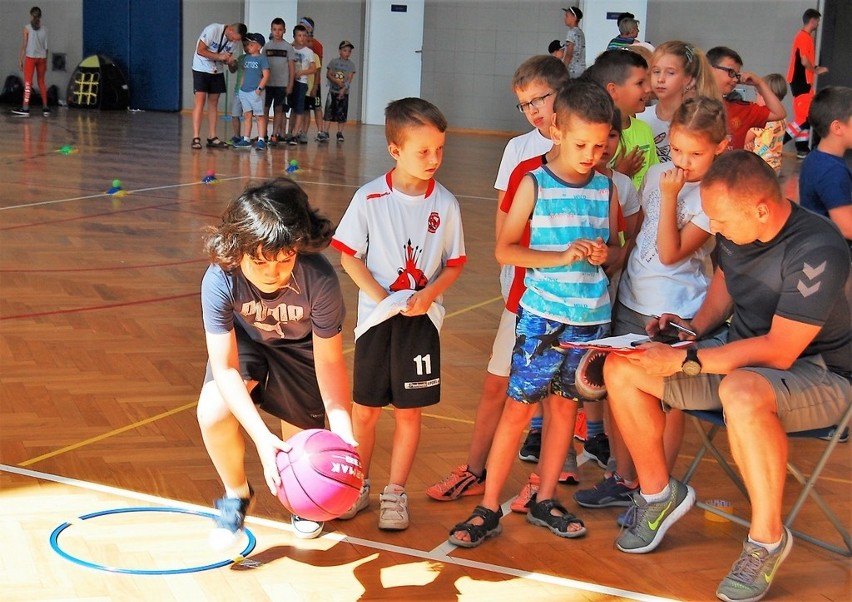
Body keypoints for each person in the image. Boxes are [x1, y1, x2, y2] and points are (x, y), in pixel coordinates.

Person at [603, 150, 850, 602]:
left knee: (740, 391)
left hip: (820, 374)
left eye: (720, 219)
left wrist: (687, 361)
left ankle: (766, 540)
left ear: (760, 208)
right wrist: (689, 330)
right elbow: (724, 285)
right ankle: (658, 496)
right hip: (742, 358)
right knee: (624, 365)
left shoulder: (819, 249)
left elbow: (779, 351)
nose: (713, 228)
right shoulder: (737, 229)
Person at [447, 80, 621, 548]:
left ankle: (546, 498)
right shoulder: (534, 182)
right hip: (543, 319)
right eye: (582, 143)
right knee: (518, 411)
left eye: (600, 145)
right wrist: (561, 256)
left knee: (565, 410)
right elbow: (505, 251)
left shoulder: (605, 187)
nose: (591, 154)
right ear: (557, 131)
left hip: (589, 321)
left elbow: (616, 247)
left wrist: (605, 254)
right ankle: (487, 508)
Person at [426, 56, 569, 507]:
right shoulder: (518, 151)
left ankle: (547, 475)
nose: (532, 111)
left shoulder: (586, 145)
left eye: (539, 100)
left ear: (563, 92)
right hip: (523, 288)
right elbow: (503, 230)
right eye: (524, 105)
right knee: (497, 381)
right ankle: (474, 468)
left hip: (570, 296)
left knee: (553, 391)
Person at [575, 97, 728, 517]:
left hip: (672, 308)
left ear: (721, 147)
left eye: (695, 153)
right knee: (621, 392)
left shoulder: (712, 195)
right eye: (676, 149)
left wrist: (671, 194)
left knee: (665, 401)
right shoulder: (661, 174)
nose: (682, 161)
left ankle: (655, 487)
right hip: (632, 297)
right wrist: (616, 266)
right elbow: (639, 236)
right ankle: (624, 478)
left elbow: (670, 252)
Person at [197, 178, 357, 544]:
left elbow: (330, 362)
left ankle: (303, 501)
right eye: (261, 262)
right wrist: (260, 437)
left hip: (300, 349)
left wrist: (342, 428)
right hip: (247, 342)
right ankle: (235, 495)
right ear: (238, 250)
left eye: (285, 260)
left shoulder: (319, 280)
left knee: (301, 452)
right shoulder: (220, 279)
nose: (274, 272)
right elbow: (225, 367)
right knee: (213, 413)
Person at [332, 98, 466, 531]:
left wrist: (428, 295)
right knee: (365, 411)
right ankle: (358, 484)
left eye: (440, 150)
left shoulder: (444, 203)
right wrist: (382, 297)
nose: (434, 159)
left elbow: (456, 263)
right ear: (395, 150)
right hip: (375, 323)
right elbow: (349, 256)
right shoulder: (369, 198)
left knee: (409, 412)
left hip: (421, 325)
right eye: (423, 151)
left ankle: (395, 492)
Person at [587, 49, 659, 188]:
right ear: (612, 90)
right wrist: (620, 174)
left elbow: (654, 179)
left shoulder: (644, 129)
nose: (648, 89)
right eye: (640, 83)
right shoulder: (594, 134)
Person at [641, 41, 721, 163]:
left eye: (670, 73)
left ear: (688, 79)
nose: (661, 79)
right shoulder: (640, 117)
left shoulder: (698, 120)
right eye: (656, 71)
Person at [706, 46, 786, 151]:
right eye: (731, 72)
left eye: (737, 75)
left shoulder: (741, 109)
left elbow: (779, 113)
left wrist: (759, 83)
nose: (735, 79)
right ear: (709, 69)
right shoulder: (690, 107)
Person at [799, 86, 852, 241]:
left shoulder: (815, 158)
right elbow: (847, 228)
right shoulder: (832, 171)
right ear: (837, 127)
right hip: (831, 253)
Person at [190, 22, 246, 150]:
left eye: (237, 40)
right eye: (235, 38)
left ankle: (212, 136)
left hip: (217, 70)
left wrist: (231, 63)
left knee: (214, 102)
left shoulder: (234, 42)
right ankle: (196, 137)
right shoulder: (213, 30)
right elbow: (200, 50)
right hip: (201, 68)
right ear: (230, 30)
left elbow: (230, 67)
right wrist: (219, 56)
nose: (235, 41)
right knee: (200, 101)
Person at [786, 8, 829, 159]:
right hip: (801, 82)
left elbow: (805, 61)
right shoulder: (803, 37)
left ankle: (802, 149)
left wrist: (815, 68)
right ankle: (778, 142)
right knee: (803, 118)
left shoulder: (805, 37)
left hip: (803, 82)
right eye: (817, 21)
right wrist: (815, 71)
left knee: (805, 116)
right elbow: (804, 61)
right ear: (812, 20)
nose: (818, 24)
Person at [232, 33, 270, 151]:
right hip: (244, 91)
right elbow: (244, 73)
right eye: (248, 44)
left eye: (251, 44)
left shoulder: (262, 59)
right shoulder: (247, 58)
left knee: (259, 116)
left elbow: (266, 75)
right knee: (247, 115)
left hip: (255, 92)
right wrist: (241, 88)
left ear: (259, 46)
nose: (248, 46)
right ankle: (246, 138)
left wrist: (259, 89)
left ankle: (261, 140)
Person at [745, 74, 788, 175]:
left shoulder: (763, 117)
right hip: (775, 166)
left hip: (759, 166)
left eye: (757, 95)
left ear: (766, 97)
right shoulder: (782, 117)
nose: (756, 99)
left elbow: (745, 138)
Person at [264, 18, 296, 146]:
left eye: (280, 30)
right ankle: (263, 133)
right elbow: (262, 65)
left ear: (284, 31)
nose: (277, 32)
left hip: (281, 84)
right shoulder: (267, 46)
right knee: (265, 108)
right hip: (267, 84)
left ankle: (274, 134)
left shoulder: (288, 47)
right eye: (274, 29)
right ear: (271, 30)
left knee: (278, 109)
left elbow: (291, 68)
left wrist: (290, 84)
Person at [12, 6, 49, 117]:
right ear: (40, 16)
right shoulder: (45, 29)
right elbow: (46, 48)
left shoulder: (26, 28)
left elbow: (24, 45)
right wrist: (46, 61)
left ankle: (25, 107)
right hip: (42, 58)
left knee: (28, 83)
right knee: (41, 82)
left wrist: (20, 60)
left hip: (30, 58)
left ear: (31, 15)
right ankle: (46, 107)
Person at [318, 41, 357, 142]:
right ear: (340, 51)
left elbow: (349, 78)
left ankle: (340, 132)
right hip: (333, 91)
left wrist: (344, 89)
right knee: (329, 111)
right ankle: (325, 131)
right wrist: (336, 81)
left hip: (344, 93)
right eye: (345, 50)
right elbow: (329, 74)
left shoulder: (351, 65)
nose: (347, 53)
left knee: (342, 113)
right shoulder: (334, 62)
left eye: (349, 51)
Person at [286, 24, 316, 145]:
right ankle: (290, 131)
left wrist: (302, 72)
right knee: (292, 108)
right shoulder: (290, 49)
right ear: (294, 36)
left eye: (304, 35)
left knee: (300, 110)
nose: (302, 38)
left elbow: (313, 69)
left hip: (301, 83)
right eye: (299, 35)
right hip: (290, 81)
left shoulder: (309, 52)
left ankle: (295, 134)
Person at [302, 18, 327, 141]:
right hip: (302, 82)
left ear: (310, 28)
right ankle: (304, 132)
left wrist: (316, 85)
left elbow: (319, 67)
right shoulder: (297, 43)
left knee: (317, 107)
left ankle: (320, 131)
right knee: (305, 109)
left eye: (303, 25)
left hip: (314, 82)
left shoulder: (317, 45)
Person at [561, 6, 586, 79]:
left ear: (574, 18)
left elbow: (569, 54)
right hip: (581, 69)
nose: (565, 18)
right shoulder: (580, 32)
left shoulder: (571, 33)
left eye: (567, 16)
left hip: (572, 70)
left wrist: (564, 69)